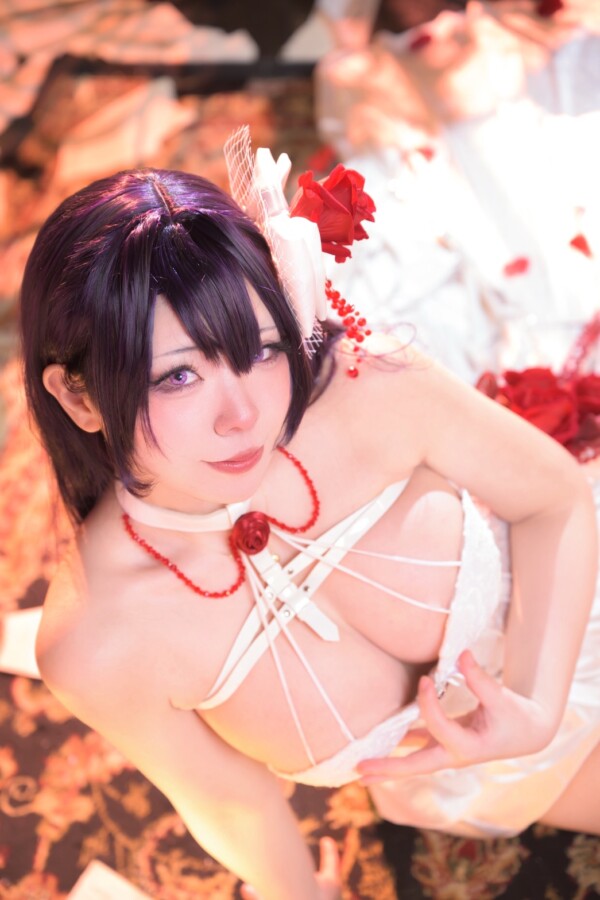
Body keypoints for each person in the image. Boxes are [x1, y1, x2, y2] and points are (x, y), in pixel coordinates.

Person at [20, 136, 600, 900]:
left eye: (262, 349)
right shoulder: (99, 642)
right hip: (480, 780)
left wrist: (534, 704)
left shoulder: (365, 387)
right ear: (79, 396)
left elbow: (556, 499)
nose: (243, 415)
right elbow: (232, 803)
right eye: (180, 375)